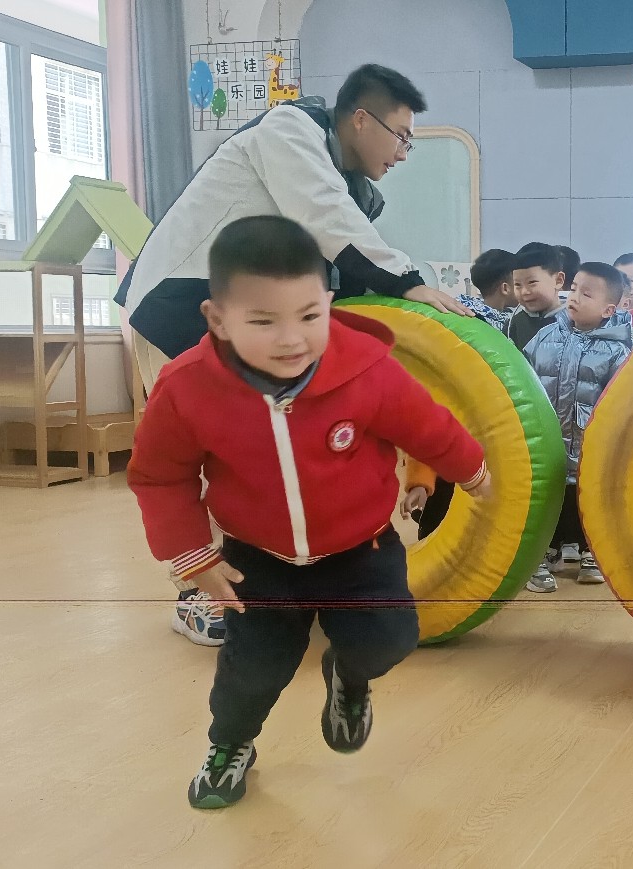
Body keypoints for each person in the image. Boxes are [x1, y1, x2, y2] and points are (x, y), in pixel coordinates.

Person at [127, 217, 490, 809]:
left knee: (389, 638)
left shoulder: (367, 368)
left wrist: (472, 471)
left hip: (362, 548)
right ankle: (231, 744)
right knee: (254, 669)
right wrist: (194, 557)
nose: (291, 339)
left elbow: (427, 426)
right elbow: (160, 475)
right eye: (263, 321)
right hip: (258, 557)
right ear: (218, 319)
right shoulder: (188, 387)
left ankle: (347, 674)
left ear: (328, 304)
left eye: (309, 316)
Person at [117, 64, 472, 647]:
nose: (403, 154)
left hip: (254, 319)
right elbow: (325, 215)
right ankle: (198, 594)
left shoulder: (354, 189)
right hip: (179, 303)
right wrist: (407, 280)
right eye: (401, 136)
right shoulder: (290, 130)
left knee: (267, 453)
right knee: (199, 454)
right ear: (361, 119)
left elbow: (329, 263)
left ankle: (273, 585)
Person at [522, 263, 632, 592]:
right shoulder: (546, 336)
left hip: (589, 445)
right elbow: (523, 378)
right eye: (573, 289)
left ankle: (590, 553)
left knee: (587, 500)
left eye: (586, 294)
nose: (574, 297)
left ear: (608, 310)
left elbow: (621, 402)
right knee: (546, 498)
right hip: (546, 441)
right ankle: (541, 554)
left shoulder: (618, 351)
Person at [408, 247, 523, 537]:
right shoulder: (492, 326)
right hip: (471, 415)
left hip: (452, 412)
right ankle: (436, 527)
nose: (524, 292)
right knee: (458, 474)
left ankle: (432, 524)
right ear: (506, 287)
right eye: (520, 284)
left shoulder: (458, 312)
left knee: (452, 472)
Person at [505, 244, 567, 352]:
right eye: (518, 285)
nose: (524, 292)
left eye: (532, 282)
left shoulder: (575, 321)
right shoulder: (514, 324)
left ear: (558, 280)